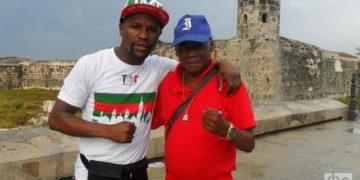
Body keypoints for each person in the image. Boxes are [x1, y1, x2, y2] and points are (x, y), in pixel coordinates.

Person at [48, 1, 241, 180]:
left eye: (152, 29)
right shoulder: (91, 64)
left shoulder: (161, 67)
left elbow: (195, 62)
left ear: (158, 35)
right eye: (135, 26)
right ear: (121, 28)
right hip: (95, 172)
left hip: (138, 172)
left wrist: (223, 63)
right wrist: (107, 130)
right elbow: (56, 118)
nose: (143, 35)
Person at [151, 14, 256, 180]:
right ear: (176, 51)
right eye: (184, 48)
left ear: (211, 45)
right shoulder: (167, 84)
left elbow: (250, 144)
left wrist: (227, 130)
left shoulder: (230, 84)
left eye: (197, 46)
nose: (190, 53)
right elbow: (147, 122)